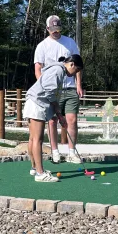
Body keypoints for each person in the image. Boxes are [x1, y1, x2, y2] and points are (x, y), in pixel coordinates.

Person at [24, 55, 85, 182]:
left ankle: (35, 168)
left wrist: (57, 113)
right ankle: (40, 174)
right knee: (37, 139)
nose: (76, 73)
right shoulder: (58, 70)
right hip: (37, 104)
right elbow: (49, 91)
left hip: (34, 102)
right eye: (77, 70)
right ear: (72, 64)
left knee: (32, 139)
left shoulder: (57, 70)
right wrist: (57, 111)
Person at [34, 15, 84, 164]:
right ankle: (55, 152)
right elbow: (38, 69)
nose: (55, 32)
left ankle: (71, 152)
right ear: (47, 28)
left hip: (69, 87)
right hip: (52, 89)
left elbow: (78, 65)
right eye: (52, 29)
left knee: (71, 120)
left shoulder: (70, 42)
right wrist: (43, 86)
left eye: (58, 29)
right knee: (52, 121)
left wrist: (79, 84)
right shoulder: (42, 46)